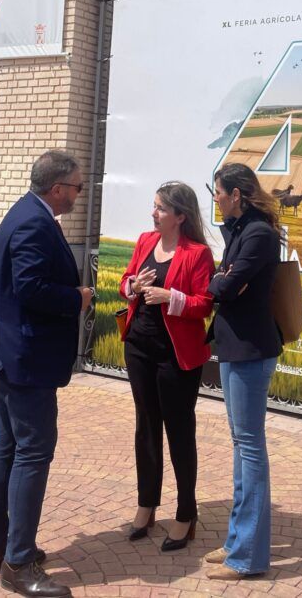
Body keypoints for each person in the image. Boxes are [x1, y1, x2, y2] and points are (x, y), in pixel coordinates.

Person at [0, 150, 94, 598]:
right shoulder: (34, 222)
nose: (80, 194)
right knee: (33, 452)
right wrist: (76, 298)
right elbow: (29, 287)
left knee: (4, 445)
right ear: (58, 188)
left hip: (10, 354)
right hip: (24, 359)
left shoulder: (28, 213)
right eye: (78, 187)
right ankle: (17, 564)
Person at [119, 181, 215, 551]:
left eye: (160, 208)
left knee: (178, 431)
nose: (153, 213)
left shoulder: (198, 253)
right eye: (154, 206)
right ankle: (147, 505)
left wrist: (169, 297)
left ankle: (186, 513)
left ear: (180, 215)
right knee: (146, 428)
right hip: (139, 348)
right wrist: (134, 286)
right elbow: (125, 285)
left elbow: (204, 304)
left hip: (176, 356)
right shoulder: (145, 241)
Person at [204, 163, 282, 580]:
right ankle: (237, 541)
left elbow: (222, 288)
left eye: (217, 191)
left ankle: (248, 557)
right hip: (235, 346)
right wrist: (225, 279)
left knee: (250, 447)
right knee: (240, 444)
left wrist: (225, 280)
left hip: (252, 350)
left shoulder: (258, 234)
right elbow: (224, 282)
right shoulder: (240, 230)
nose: (214, 197)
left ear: (236, 193)